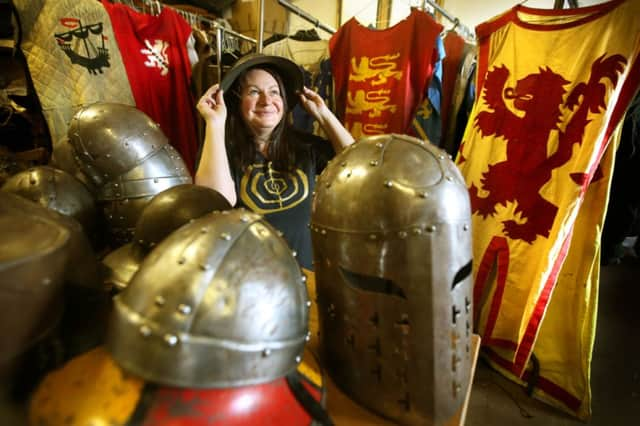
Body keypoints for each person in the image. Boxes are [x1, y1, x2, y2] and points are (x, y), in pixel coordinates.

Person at [195, 53, 354, 270]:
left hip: (307, 277)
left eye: (274, 92)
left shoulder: (304, 147)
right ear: (236, 101)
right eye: (253, 92)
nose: (266, 101)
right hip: (250, 281)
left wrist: (323, 114)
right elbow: (214, 202)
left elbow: (357, 161)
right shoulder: (220, 151)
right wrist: (214, 123)